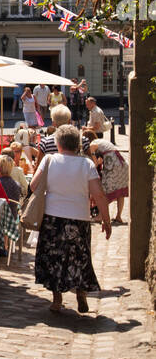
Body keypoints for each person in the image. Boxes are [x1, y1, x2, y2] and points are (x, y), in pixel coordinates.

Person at [32, 124, 111, 315]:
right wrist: (106, 220)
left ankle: (57, 300)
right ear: (77, 145)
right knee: (79, 256)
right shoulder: (87, 164)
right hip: (79, 218)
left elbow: (34, 185)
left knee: (53, 258)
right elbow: (99, 195)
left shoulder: (49, 160)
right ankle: (81, 293)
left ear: (58, 143)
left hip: (53, 217)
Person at [84, 136, 129, 222]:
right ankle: (118, 216)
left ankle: (100, 216)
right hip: (121, 163)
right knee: (120, 191)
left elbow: (95, 164)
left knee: (105, 190)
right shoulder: (102, 142)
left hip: (112, 164)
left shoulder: (92, 145)